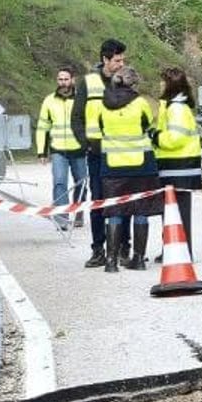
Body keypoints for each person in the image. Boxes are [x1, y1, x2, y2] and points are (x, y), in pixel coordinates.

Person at [92, 64, 160, 273]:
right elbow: (149, 127)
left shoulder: (103, 105)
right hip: (141, 165)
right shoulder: (140, 103)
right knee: (141, 210)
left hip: (112, 166)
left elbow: (99, 130)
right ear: (134, 84)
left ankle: (111, 261)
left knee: (114, 210)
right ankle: (138, 259)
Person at [74, 40, 128, 267]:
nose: (121, 63)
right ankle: (98, 250)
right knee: (98, 202)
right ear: (105, 60)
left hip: (121, 153)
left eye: (123, 59)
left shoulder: (126, 80)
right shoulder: (88, 82)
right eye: (117, 60)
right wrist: (85, 143)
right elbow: (77, 117)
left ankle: (124, 249)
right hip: (96, 153)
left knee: (124, 202)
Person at [154, 67, 202, 261]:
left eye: (163, 81)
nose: (160, 85)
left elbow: (176, 138)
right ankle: (173, 249)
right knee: (173, 211)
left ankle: (181, 251)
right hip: (176, 166)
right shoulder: (174, 106)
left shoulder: (176, 108)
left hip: (179, 166)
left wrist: (156, 137)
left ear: (170, 84)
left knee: (177, 212)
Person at [36, 66, 86, 224]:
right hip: (58, 150)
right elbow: (42, 127)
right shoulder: (49, 100)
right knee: (59, 182)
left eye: (66, 79)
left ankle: (79, 212)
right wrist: (41, 152)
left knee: (81, 183)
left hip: (79, 149)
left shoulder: (81, 99)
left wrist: (90, 144)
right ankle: (62, 218)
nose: (63, 82)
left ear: (72, 80)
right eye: (60, 79)